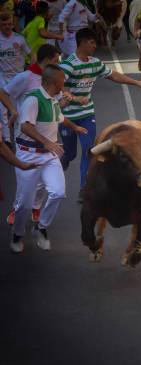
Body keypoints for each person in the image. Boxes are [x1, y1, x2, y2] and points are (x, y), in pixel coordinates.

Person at [59, 28, 141, 200]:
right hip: (67, 117)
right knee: (70, 154)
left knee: (89, 151)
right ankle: (65, 158)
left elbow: (114, 75)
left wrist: (136, 82)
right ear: (82, 43)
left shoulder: (95, 63)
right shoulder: (68, 64)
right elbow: (59, 83)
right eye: (92, 42)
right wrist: (69, 95)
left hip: (87, 115)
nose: (95, 45)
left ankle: (84, 188)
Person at [10, 64, 87, 253]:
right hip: (29, 155)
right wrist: (46, 142)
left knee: (58, 192)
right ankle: (17, 234)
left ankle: (41, 227)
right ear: (54, 82)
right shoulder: (33, 100)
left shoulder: (53, 99)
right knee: (25, 204)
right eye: (63, 79)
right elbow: (26, 126)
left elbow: (60, 118)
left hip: (49, 155)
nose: (65, 82)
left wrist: (75, 127)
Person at [1, 44, 64, 225]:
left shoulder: (52, 81)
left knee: (45, 181)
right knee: (26, 177)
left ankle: (36, 207)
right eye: (55, 60)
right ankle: (17, 207)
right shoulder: (25, 77)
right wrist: (13, 109)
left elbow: (55, 109)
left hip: (48, 136)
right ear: (47, 60)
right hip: (26, 136)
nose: (58, 64)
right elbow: (3, 92)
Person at [0, 12, 31, 145]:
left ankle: (19, 136)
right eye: (4, 24)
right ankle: (7, 139)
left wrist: (33, 70)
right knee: (3, 110)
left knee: (18, 111)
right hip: (2, 77)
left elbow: (31, 54)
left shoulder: (19, 39)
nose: (7, 27)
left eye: (10, 24)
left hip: (18, 79)